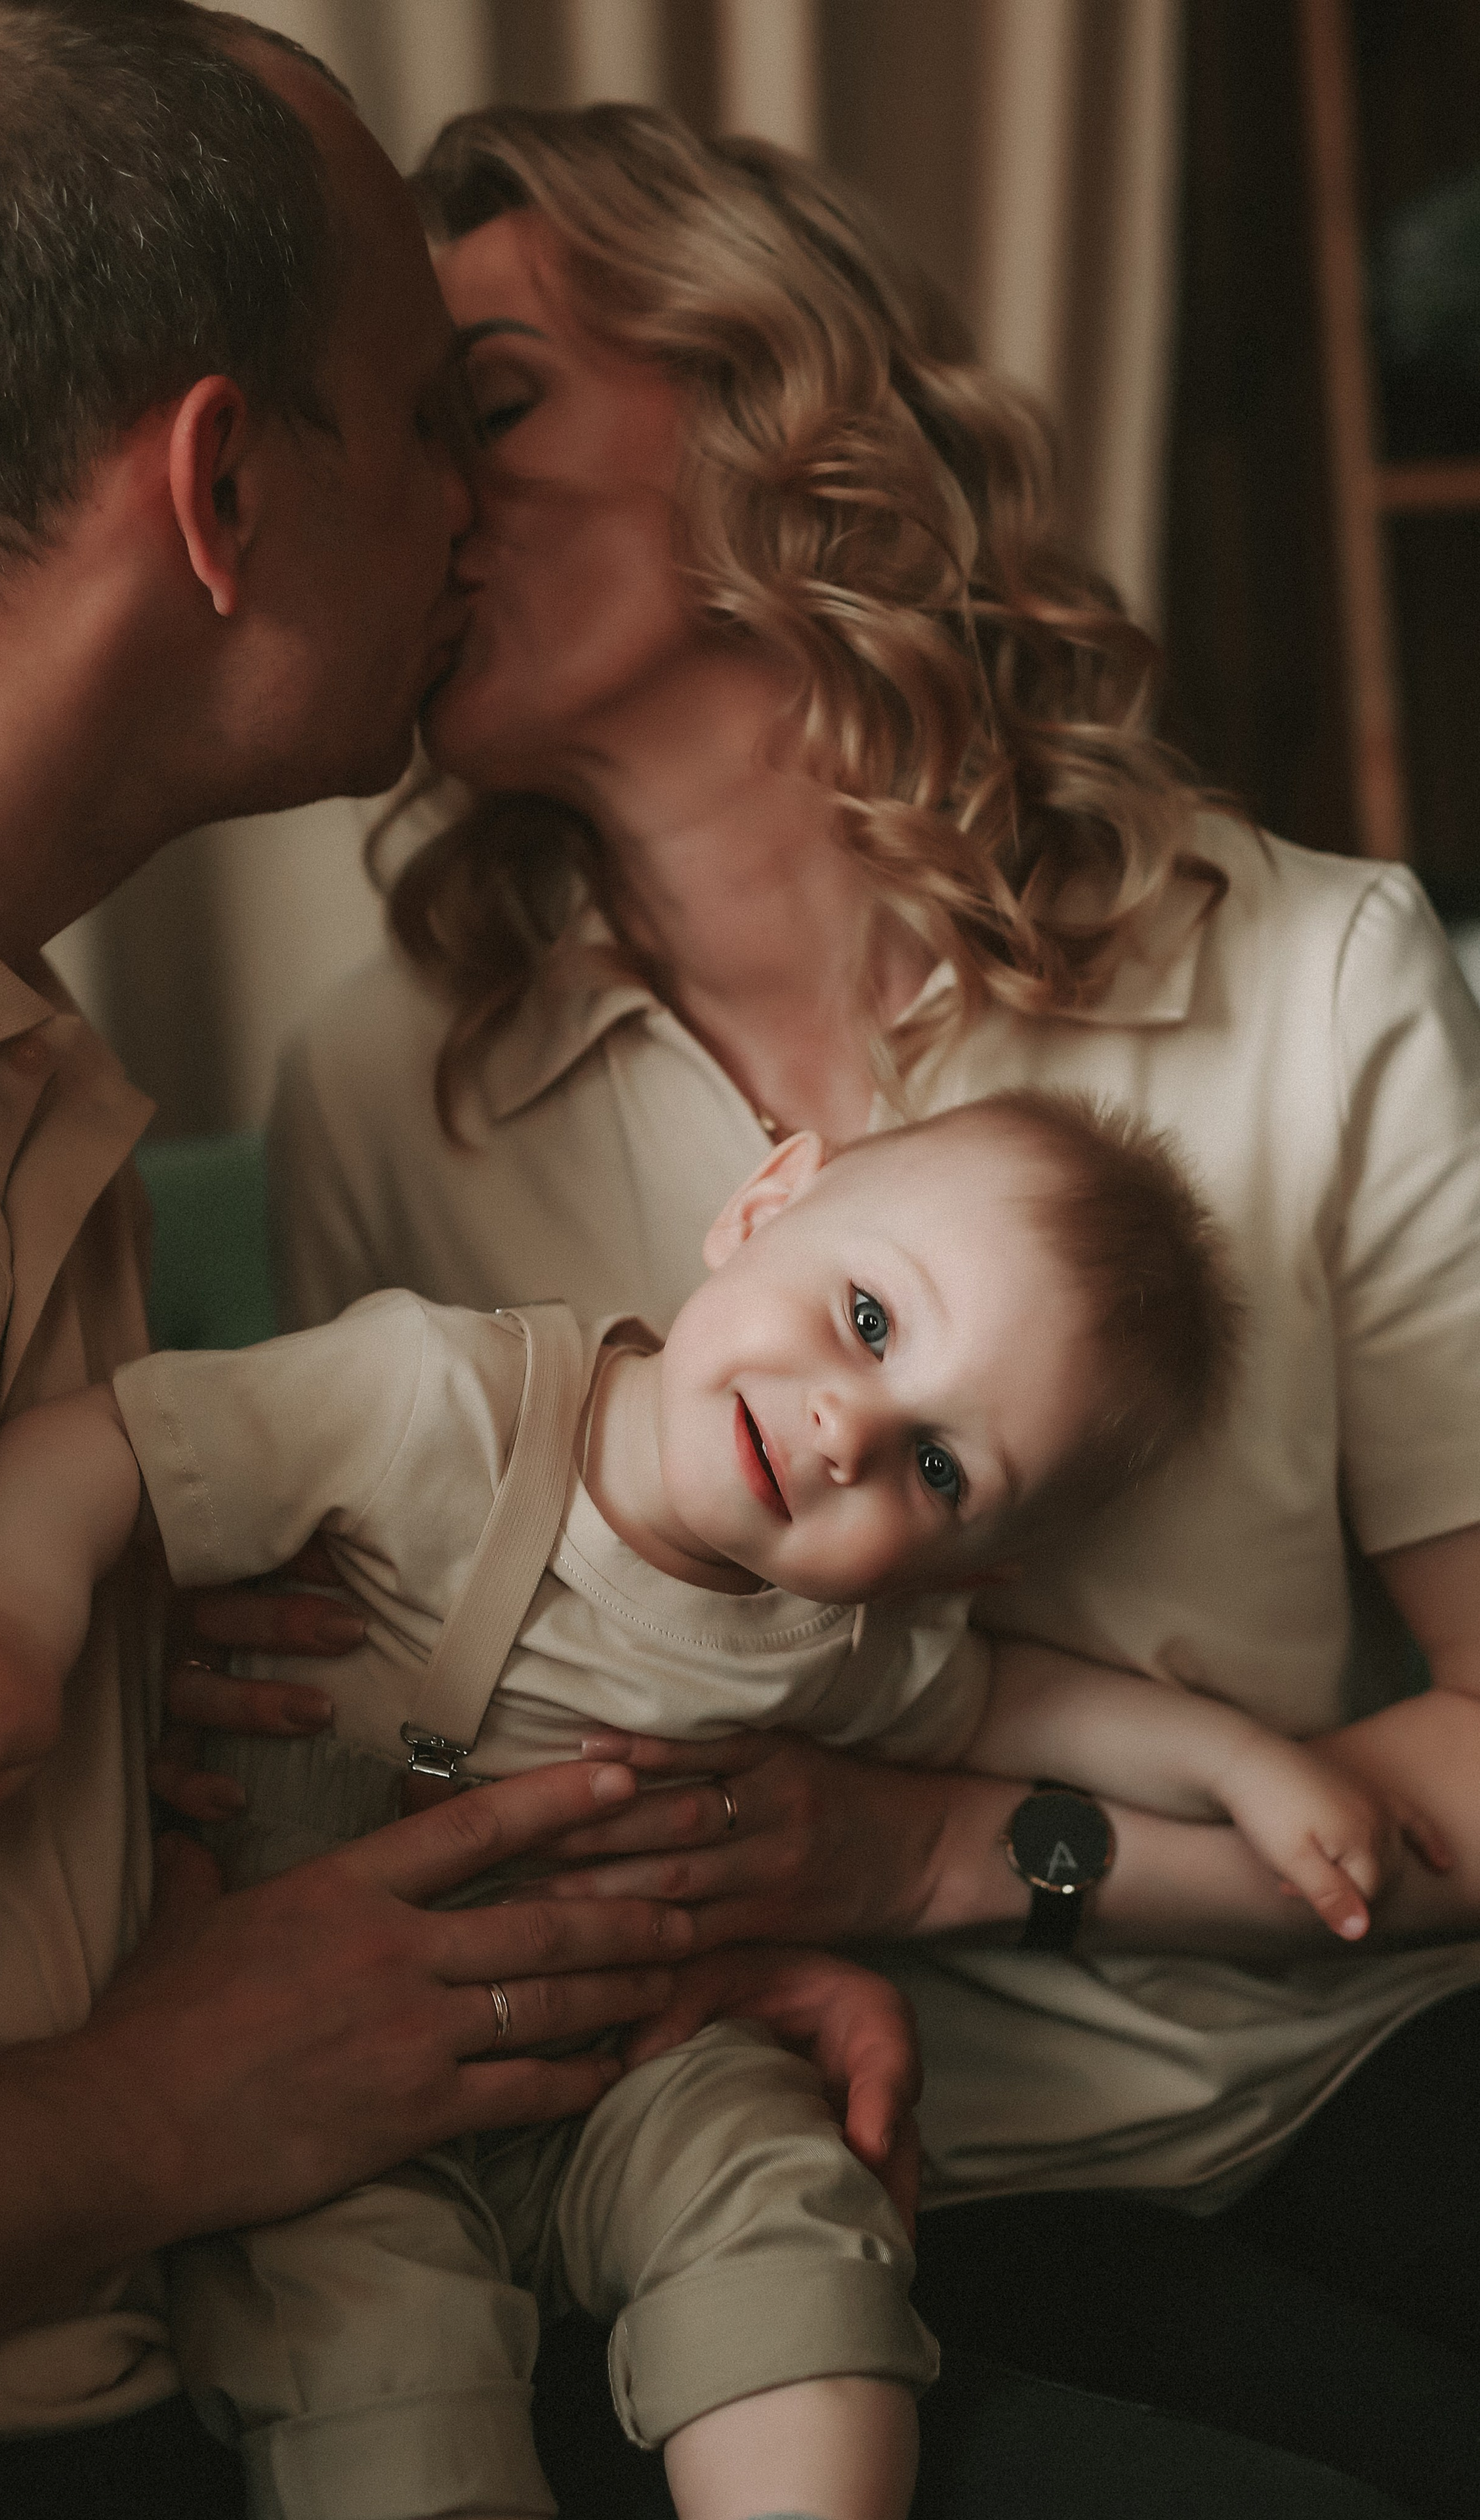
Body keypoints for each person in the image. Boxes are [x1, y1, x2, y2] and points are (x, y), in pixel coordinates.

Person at [233, 100, 1480, 2520]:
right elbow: (373, 1751)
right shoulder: (379, 1089)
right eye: (387, 436)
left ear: (768, 403)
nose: (415, 501)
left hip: (1363, 2059)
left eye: (481, 406)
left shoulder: (1320, 980)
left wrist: (911, 1851)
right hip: (816, 2193)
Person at [0, 19, 924, 2515]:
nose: (469, 515)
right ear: (221, 487)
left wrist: (594, 1981)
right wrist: (155, 2111)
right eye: (437, 420)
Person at [0, 1087, 1351, 2520]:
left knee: (785, 2202)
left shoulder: (829, 1633)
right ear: (766, 1201)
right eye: (869, 1321)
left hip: (639, 2050)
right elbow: (116, 1440)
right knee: (364, 2336)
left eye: (940, 1467)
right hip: (316, 2077)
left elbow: (1011, 1710)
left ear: (955, 1568)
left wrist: (1236, 1762)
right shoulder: (434, 1399)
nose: (849, 1433)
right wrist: (13, 1612)